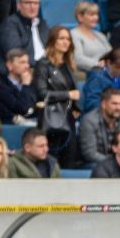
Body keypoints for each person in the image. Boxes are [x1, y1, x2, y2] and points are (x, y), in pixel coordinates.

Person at [33, 26, 81, 168]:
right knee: (51, 159)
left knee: (69, 158)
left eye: (68, 39)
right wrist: (68, 95)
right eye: (61, 38)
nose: (66, 42)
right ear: (53, 41)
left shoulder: (69, 65)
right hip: (51, 117)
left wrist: (76, 107)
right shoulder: (43, 64)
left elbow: (72, 88)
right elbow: (42, 93)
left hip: (68, 116)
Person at [80, 87, 120, 166]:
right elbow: (90, 154)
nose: (118, 108)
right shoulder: (89, 120)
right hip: (97, 163)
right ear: (103, 104)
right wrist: (116, 163)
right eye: (114, 104)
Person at [0, 0, 49, 72]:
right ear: (18, 5)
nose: (32, 7)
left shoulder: (42, 24)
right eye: (28, 3)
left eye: (36, 3)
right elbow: (15, 54)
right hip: (26, 69)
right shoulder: (10, 24)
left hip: (44, 69)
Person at [0, 49, 37, 125]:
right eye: (22, 62)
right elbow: (23, 109)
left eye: (27, 62)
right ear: (9, 65)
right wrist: (25, 86)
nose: (27, 66)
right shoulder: (1, 86)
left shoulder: (32, 82)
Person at [82, 48, 120, 115]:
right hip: (95, 117)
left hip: (111, 115)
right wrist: (113, 103)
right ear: (108, 63)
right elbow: (90, 104)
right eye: (118, 67)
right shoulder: (96, 77)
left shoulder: (117, 77)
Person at [71, 0, 113, 74]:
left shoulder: (100, 35)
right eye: (91, 15)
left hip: (106, 71)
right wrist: (98, 64)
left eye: (96, 14)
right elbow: (78, 59)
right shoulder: (74, 34)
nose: (95, 18)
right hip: (87, 73)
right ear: (80, 17)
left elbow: (110, 53)